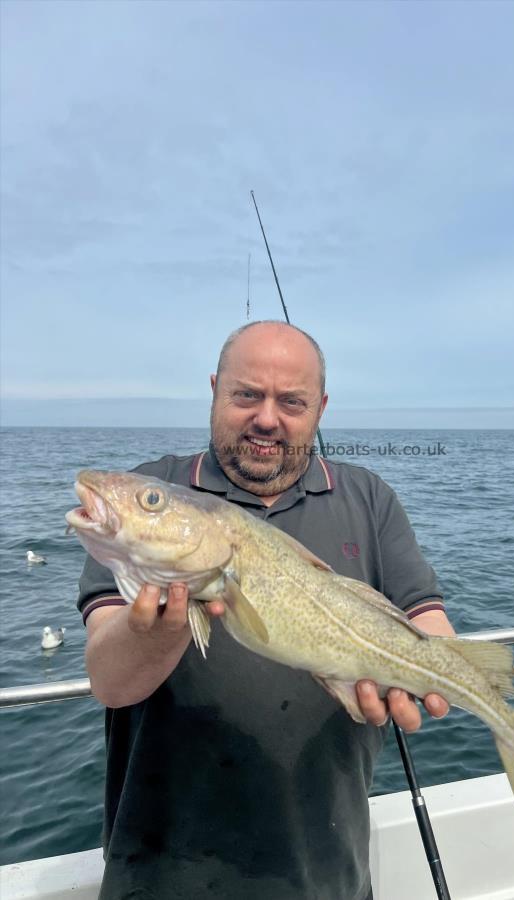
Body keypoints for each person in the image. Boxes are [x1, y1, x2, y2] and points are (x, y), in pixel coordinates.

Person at [78, 320, 454, 900]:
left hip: (326, 873)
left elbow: (425, 620)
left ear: (321, 408)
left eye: (292, 401)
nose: (267, 418)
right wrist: (155, 626)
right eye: (247, 394)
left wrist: (435, 672)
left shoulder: (369, 498)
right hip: (160, 876)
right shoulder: (155, 489)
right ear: (215, 390)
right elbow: (110, 679)